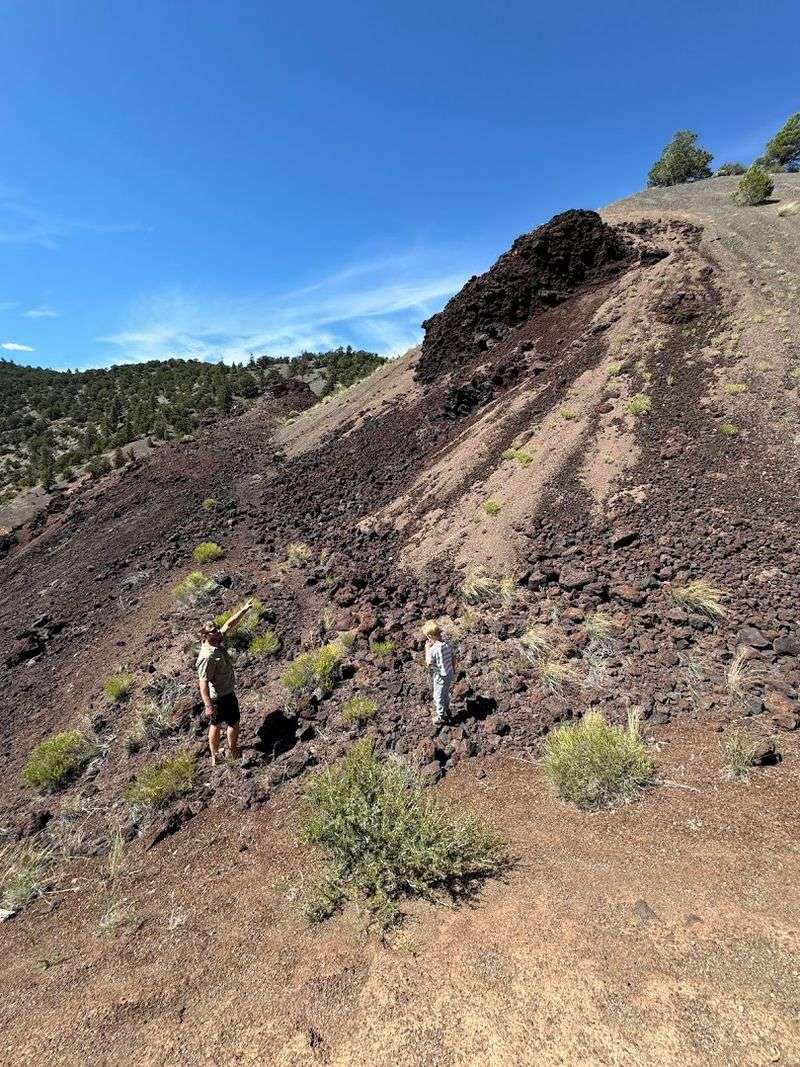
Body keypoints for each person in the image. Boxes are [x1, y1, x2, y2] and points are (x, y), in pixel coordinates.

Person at [196, 601, 252, 765]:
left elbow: (229, 624)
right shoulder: (207, 656)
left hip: (228, 692)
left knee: (229, 723)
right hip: (219, 697)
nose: (218, 632)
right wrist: (208, 705)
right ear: (206, 636)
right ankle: (217, 755)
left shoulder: (216, 641)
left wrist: (243, 610)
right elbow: (203, 682)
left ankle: (231, 750)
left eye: (216, 629)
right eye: (214, 631)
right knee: (220, 724)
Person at [423, 620, 456, 727]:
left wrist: (427, 649)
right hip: (449, 673)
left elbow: (428, 663)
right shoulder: (447, 644)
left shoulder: (433, 650)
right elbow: (453, 657)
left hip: (440, 676)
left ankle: (441, 716)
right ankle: (446, 709)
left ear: (430, 636)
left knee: (438, 696)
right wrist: (453, 669)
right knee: (445, 692)